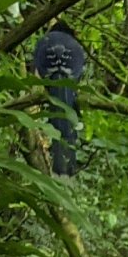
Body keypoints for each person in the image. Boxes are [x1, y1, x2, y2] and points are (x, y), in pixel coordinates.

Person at [29, 24, 89, 176]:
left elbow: (40, 66)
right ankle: (67, 160)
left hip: (52, 81)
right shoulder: (74, 44)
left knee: (58, 114)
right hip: (68, 84)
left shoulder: (44, 41)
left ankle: (58, 156)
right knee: (66, 115)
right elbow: (77, 71)